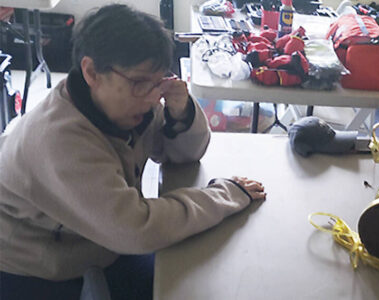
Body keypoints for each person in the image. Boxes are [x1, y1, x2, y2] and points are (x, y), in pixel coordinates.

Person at [0, 4, 266, 299]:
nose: (154, 96)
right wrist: (225, 194)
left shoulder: (123, 102)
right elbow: (136, 230)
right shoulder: (58, 140)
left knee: (190, 277)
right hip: (29, 261)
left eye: (158, 81)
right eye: (140, 83)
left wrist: (181, 115)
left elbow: (184, 156)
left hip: (95, 238)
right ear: (91, 71)